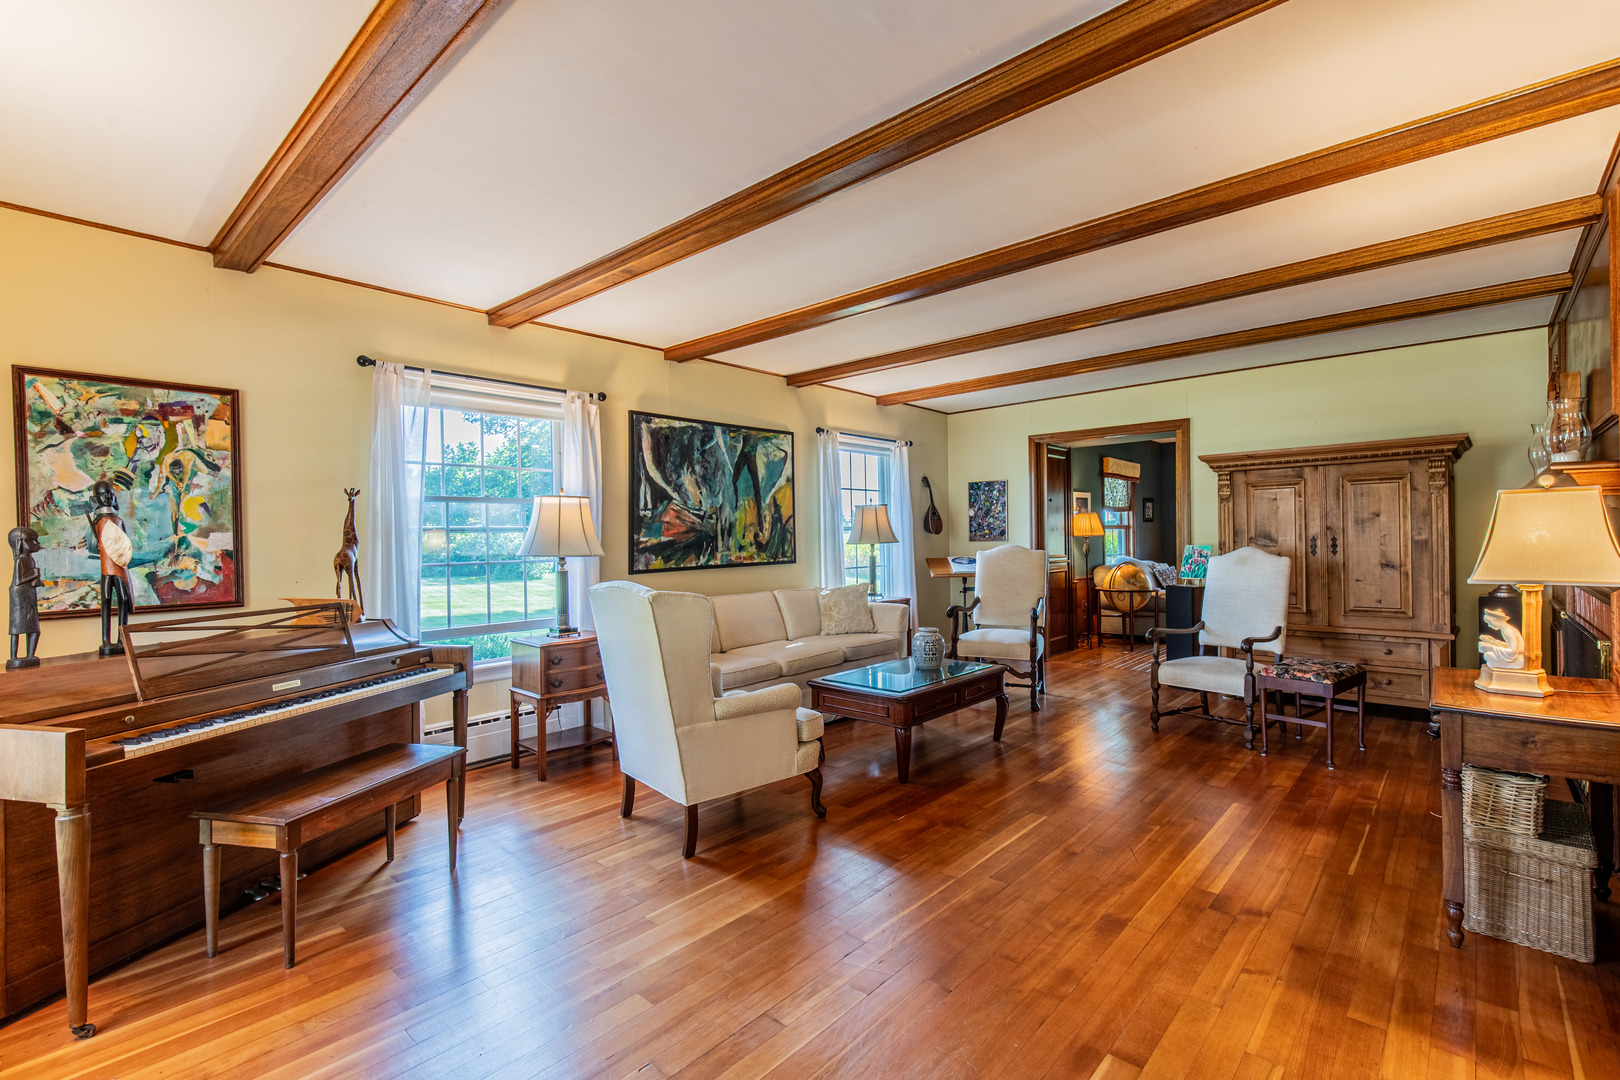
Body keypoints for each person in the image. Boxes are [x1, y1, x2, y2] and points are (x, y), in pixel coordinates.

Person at [87, 480, 134, 656]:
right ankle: (106, 639)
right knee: (106, 602)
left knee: (123, 599)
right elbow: (93, 547)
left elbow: (125, 545)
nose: (107, 497)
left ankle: (122, 639)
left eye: (109, 494)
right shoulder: (98, 521)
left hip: (120, 568)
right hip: (106, 569)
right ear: (96, 498)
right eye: (103, 494)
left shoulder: (118, 521)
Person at [7, 525, 42, 670]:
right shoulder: (21, 560)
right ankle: (14, 657)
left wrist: (35, 577)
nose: (37, 544)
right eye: (32, 540)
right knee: (17, 627)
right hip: (20, 595)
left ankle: (30, 655)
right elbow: (18, 580)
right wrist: (34, 574)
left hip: (28, 594)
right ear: (20, 542)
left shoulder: (29, 559)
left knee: (33, 628)